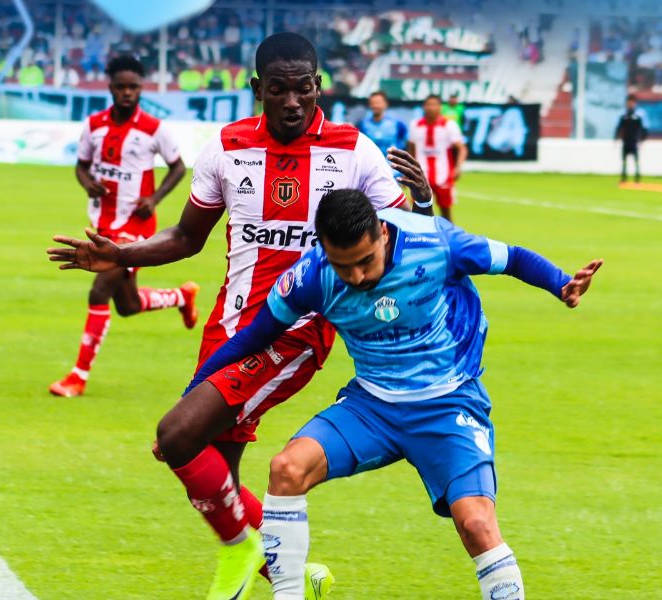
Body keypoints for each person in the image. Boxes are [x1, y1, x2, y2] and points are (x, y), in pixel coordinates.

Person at [47, 33, 433, 600]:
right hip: (229, 328)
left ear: (318, 85)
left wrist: (421, 202)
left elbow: (418, 239)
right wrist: (121, 253)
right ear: (258, 89)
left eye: (304, 88)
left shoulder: (355, 152)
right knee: (214, 473)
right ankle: (291, 572)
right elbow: (186, 237)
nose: (293, 101)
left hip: (297, 333)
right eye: (278, 90)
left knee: (176, 437)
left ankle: (243, 553)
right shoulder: (227, 147)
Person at [188, 189, 603, 600]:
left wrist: (561, 284)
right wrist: (189, 398)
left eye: (365, 261)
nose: (357, 278)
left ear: (383, 234)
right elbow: (250, 340)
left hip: (449, 402)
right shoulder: (311, 277)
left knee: (476, 524)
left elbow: (511, 257)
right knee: (287, 469)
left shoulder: (436, 242)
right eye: (343, 266)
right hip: (372, 406)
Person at [48, 55, 192, 398]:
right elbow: (81, 166)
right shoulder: (93, 125)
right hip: (101, 226)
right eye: (121, 87)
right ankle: (181, 295)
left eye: (134, 87)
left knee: (99, 290)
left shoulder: (154, 129)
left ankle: (77, 378)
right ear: (110, 87)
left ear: (140, 88)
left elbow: (178, 167)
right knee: (126, 305)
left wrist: (154, 199)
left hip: (135, 228)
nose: (127, 93)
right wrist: (88, 184)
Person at [408, 94, 468, 223]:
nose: (430, 108)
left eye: (434, 105)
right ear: (424, 107)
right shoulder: (415, 125)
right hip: (421, 176)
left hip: (443, 175)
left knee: (446, 212)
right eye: (428, 105)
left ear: (440, 107)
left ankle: (450, 240)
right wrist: (409, 170)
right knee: (416, 212)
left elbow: (461, 148)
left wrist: (458, 167)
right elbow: (412, 148)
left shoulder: (449, 125)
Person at [357, 90, 408, 159]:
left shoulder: (397, 124)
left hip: (392, 167)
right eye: (372, 103)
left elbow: (406, 144)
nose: (375, 105)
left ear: (386, 104)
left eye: (378, 102)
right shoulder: (362, 125)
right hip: (371, 166)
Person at [615, 94, 648, 183]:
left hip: (634, 141)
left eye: (631, 102)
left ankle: (637, 178)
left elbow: (643, 130)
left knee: (636, 160)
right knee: (624, 161)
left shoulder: (638, 117)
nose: (630, 104)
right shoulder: (623, 116)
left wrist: (642, 140)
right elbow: (619, 128)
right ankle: (624, 178)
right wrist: (616, 138)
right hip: (625, 141)